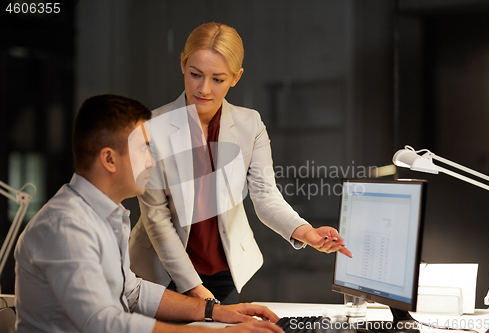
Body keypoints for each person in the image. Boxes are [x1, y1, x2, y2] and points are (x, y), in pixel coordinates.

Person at [14, 94, 282, 333]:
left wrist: (214, 310)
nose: (152, 161)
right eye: (144, 149)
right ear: (109, 159)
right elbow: (102, 322)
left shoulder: (107, 215)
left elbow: (132, 292)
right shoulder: (66, 226)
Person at [129, 22, 352, 305]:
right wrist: (194, 289)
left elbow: (265, 195)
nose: (204, 89)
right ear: (183, 64)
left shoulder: (250, 124)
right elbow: (156, 219)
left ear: (236, 77)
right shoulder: (152, 128)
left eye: (218, 79)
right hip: (160, 271)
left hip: (223, 269)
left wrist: (306, 232)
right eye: (196, 74)